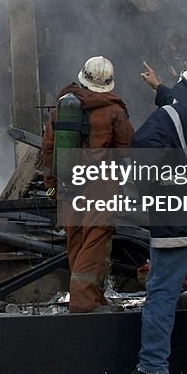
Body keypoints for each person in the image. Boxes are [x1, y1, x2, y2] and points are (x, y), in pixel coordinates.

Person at [115, 62, 187, 374]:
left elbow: (141, 156)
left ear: (185, 86)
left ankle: (152, 368)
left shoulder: (166, 118)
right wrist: (158, 87)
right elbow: (179, 111)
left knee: (161, 295)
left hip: (179, 222)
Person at [41, 56, 133, 313]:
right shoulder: (114, 110)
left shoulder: (62, 106)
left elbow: (48, 150)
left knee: (76, 240)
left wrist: (51, 186)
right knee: (94, 242)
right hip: (99, 187)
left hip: (68, 184)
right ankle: (82, 302)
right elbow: (126, 149)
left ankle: (92, 298)